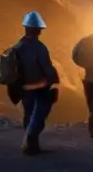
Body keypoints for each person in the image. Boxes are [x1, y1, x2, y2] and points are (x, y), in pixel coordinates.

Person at [13, 11, 60, 155]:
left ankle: (31, 145)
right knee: (39, 115)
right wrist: (53, 80)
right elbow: (46, 67)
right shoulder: (39, 48)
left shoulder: (18, 46)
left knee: (28, 114)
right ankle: (30, 145)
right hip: (40, 86)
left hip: (24, 87)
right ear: (38, 30)